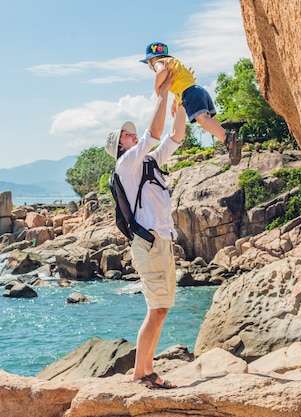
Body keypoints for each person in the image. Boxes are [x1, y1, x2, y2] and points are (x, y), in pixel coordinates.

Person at [104, 65, 184, 389]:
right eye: (126, 134)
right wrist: (162, 93)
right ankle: (141, 372)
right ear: (120, 146)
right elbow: (153, 133)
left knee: (161, 310)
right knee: (155, 309)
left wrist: (178, 98)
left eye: (130, 132)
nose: (132, 134)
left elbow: (174, 136)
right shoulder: (126, 164)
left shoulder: (148, 162)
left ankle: (147, 370)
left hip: (162, 241)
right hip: (148, 243)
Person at [140, 41, 242, 165]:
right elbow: (182, 85)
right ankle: (227, 141)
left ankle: (227, 137)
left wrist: (158, 88)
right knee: (205, 121)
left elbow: (162, 72)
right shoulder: (176, 64)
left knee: (203, 120)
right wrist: (176, 101)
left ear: (150, 60)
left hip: (190, 94)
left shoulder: (158, 63)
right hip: (198, 90)